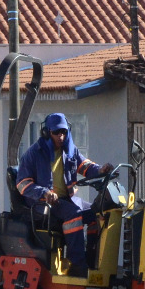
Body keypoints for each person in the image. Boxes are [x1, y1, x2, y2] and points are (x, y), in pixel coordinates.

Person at [15, 113, 112, 276]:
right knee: (73, 215)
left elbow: (85, 166)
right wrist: (44, 193)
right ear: (46, 133)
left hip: (67, 200)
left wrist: (100, 169)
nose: (61, 137)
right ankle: (77, 265)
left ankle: (90, 259)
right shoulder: (33, 154)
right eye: (56, 133)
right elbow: (22, 184)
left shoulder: (70, 151)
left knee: (98, 212)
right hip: (44, 204)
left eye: (64, 132)